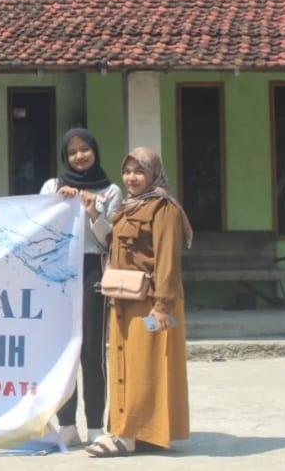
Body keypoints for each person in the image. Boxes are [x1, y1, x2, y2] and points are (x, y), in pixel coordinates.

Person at [86, 147, 192, 457]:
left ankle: (127, 435)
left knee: (146, 366)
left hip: (152, 305)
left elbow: (168, 260)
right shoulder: (130, 207)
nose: (132, 177)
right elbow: (112, 242)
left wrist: (163, 307)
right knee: (126, 365)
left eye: (139, 171)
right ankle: (139, 432)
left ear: (154, 173)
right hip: (124, 302)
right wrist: (94, 214)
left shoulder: (164, 209)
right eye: (128, 171)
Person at [39, 128, 122, 447]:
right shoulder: (52, 186)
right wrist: (58, 205)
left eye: (85, 149)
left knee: (91, 351)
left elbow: (109, 240)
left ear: (95, 151)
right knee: (64, 350)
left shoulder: (111, 190)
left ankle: (97, 425)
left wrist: (92, 211)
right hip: (60, 272)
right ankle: (67, 424)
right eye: (72, 152)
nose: (79, 156)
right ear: (65, 156)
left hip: (92, 271)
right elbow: (41, 228)